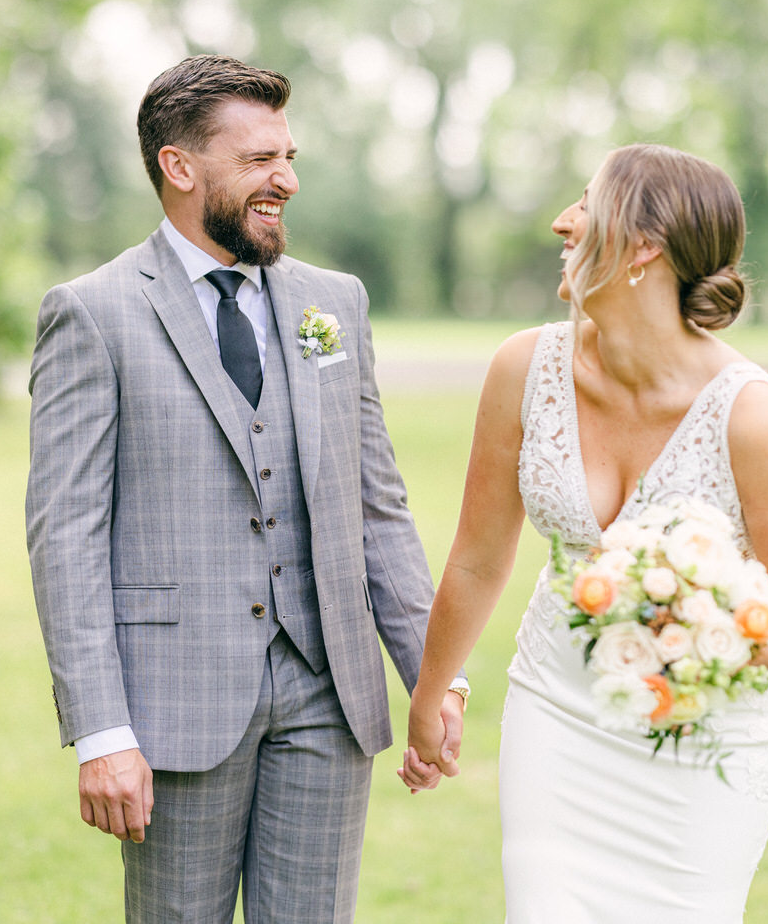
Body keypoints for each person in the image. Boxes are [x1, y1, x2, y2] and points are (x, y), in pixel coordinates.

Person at [25, 54, 466, 924]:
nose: (287, 180)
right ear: (179, 167)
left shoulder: (333, 302)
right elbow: (65, 535)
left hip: (327, 695)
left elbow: (377, 504)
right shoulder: (94, 312)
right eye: (260, 160)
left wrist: (433, 678)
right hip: (175, 702)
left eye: (289, 156)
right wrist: (103, 731)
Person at [399, 144, 768, 922]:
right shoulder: (521, 367)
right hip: (556, 714)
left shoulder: (751, 414)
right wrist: (433, 693)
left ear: (642, 248)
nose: (562, 222)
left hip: (701, 745)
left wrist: (706, 639)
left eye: (586, 204)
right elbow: (477, 557)